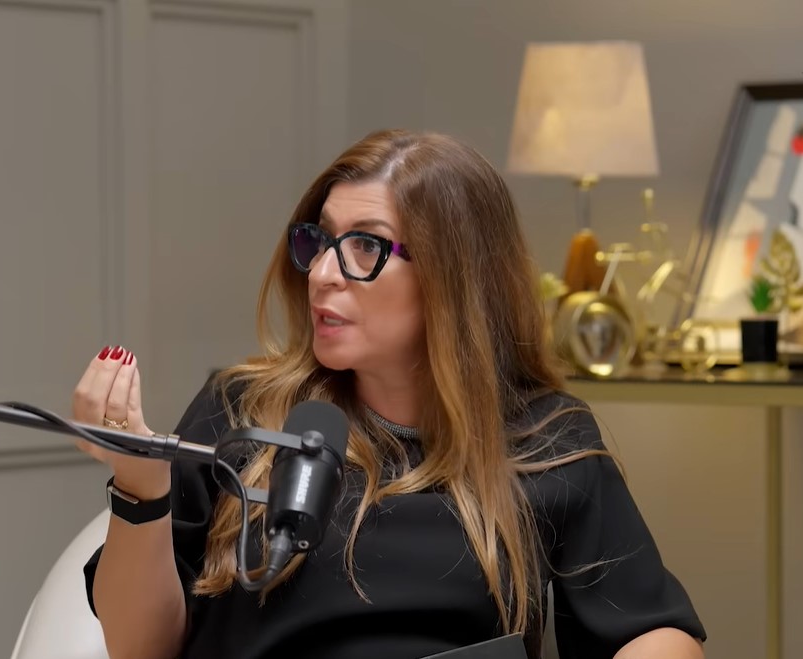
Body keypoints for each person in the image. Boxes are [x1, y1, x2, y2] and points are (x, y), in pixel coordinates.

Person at [71, 129, 707, 659]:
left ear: (452, 274)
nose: (322, 273)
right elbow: (140, 648)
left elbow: (655, 631)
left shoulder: (544, 435)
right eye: (320, 241)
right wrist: (139, 487)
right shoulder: (242, 409)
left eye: (365, 247)